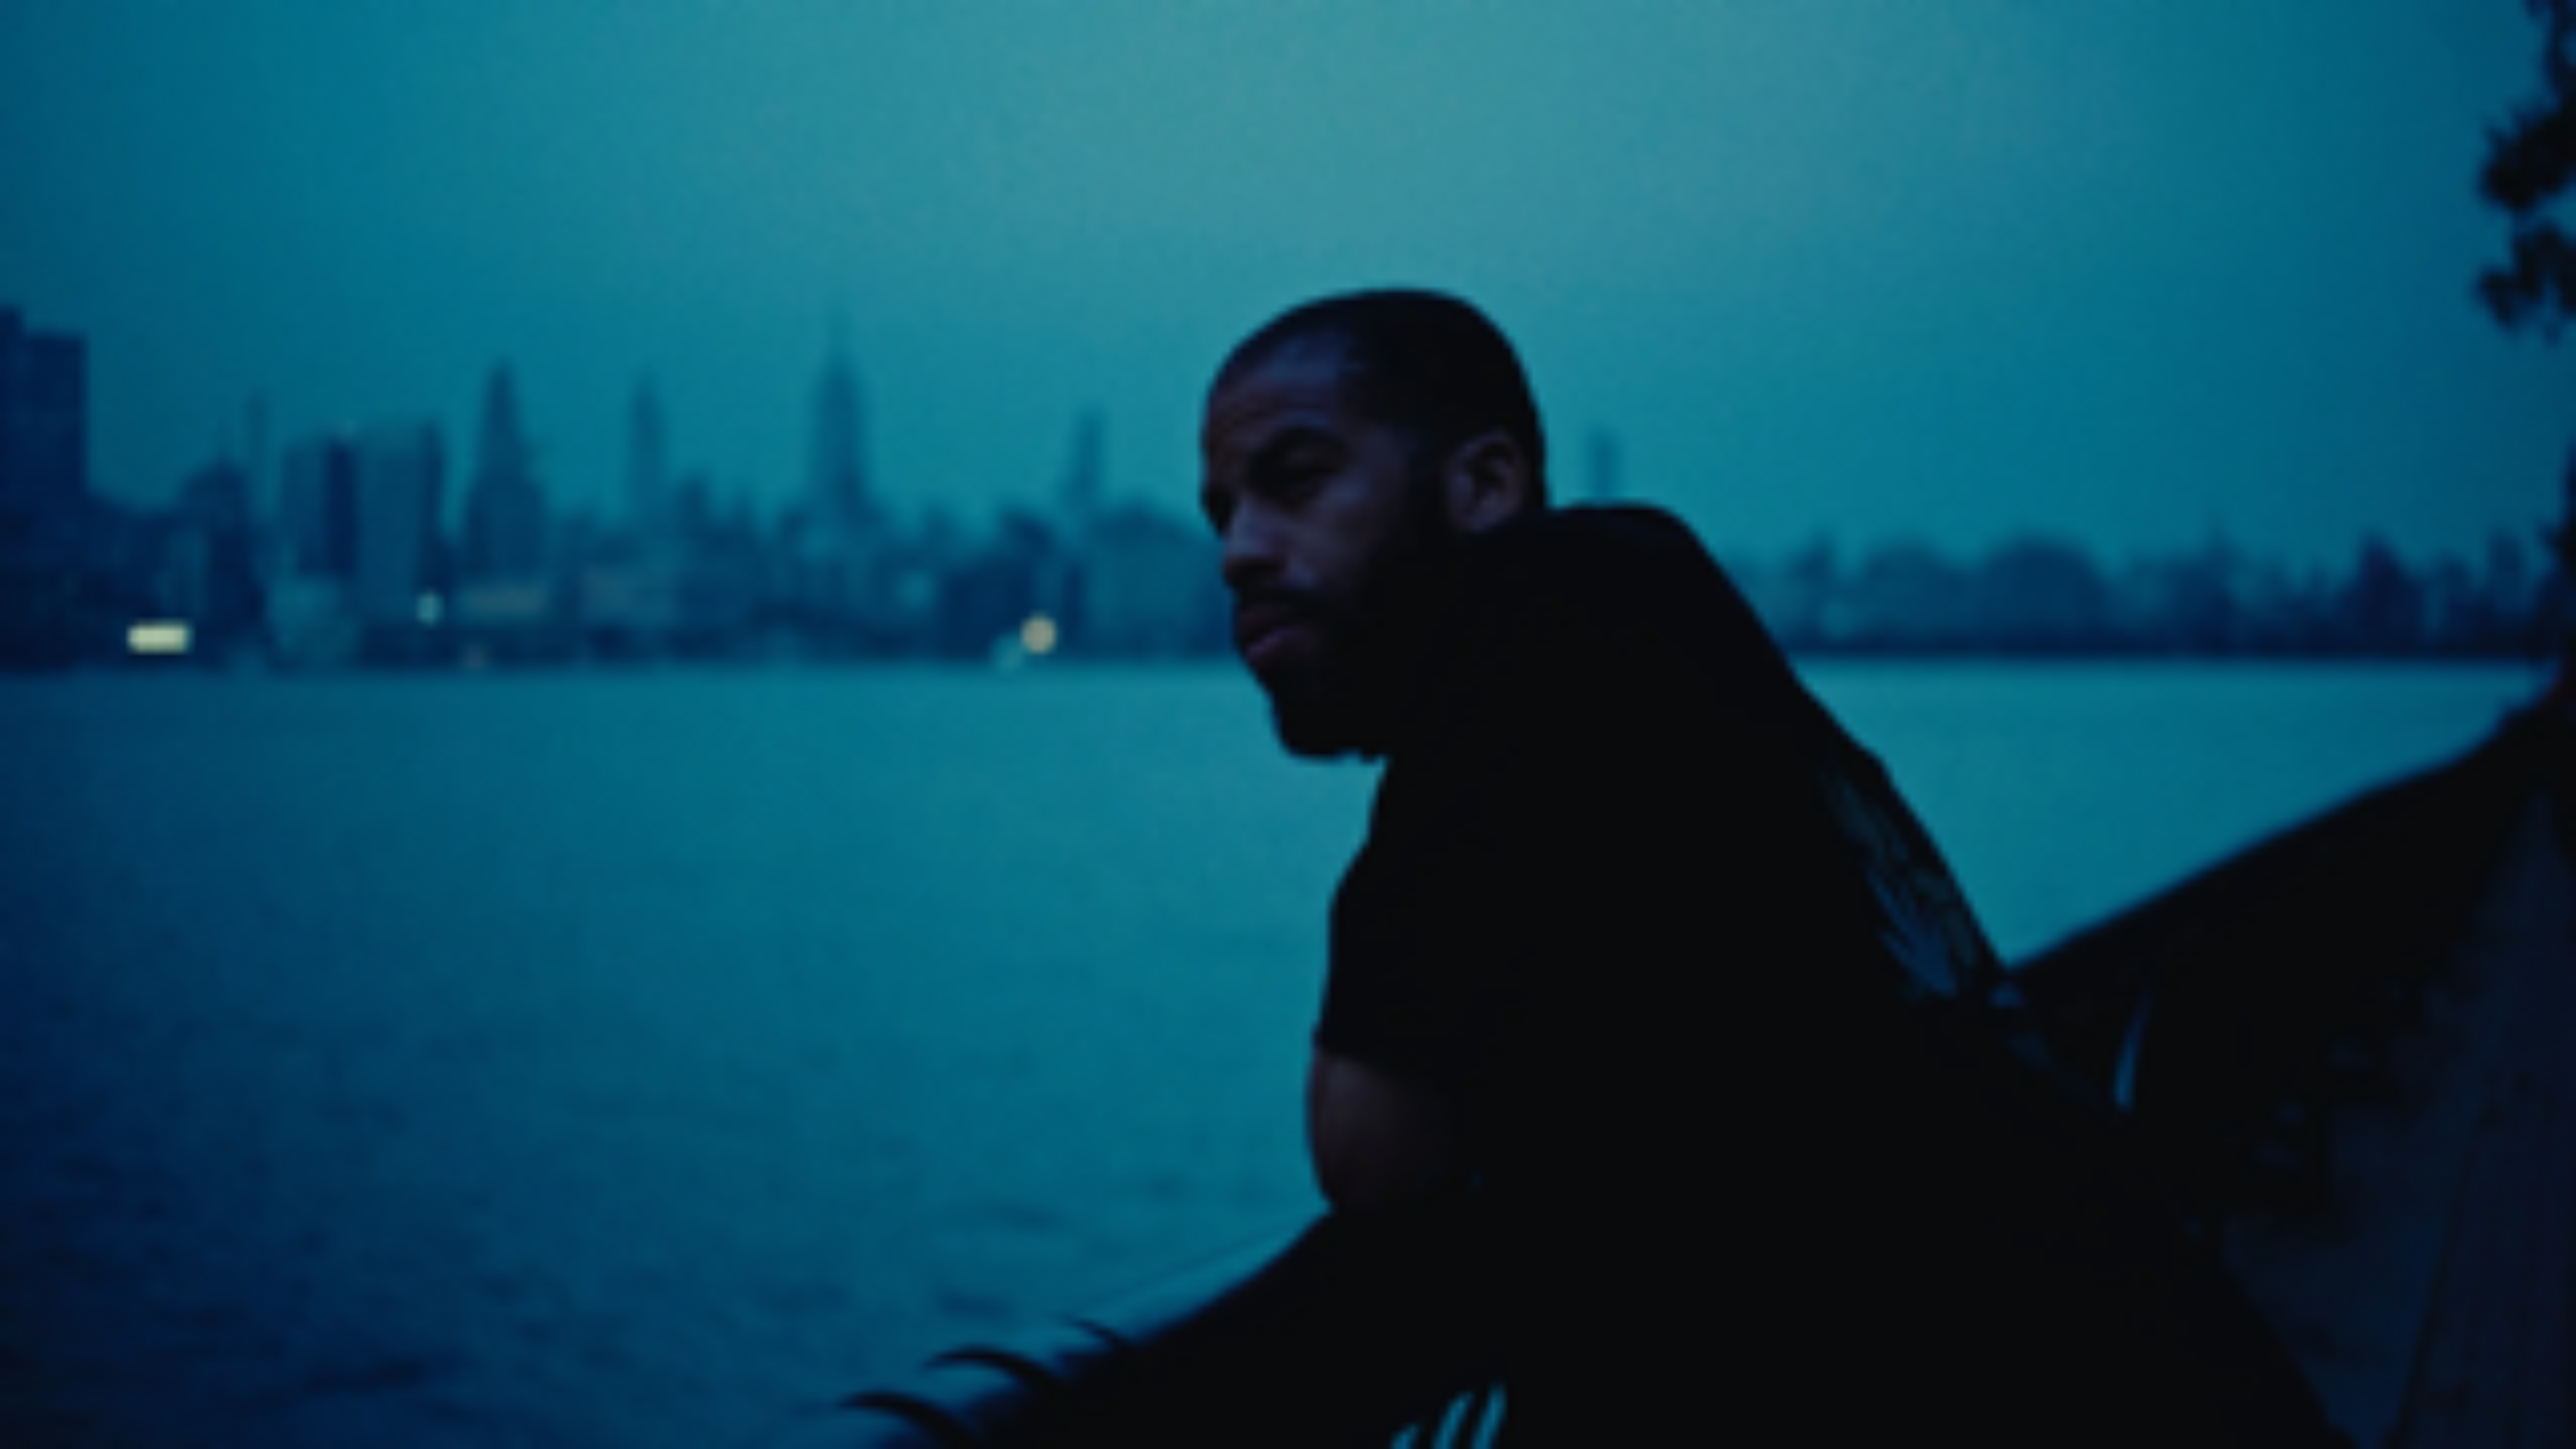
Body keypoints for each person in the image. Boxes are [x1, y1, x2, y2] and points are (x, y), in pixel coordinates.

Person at [1197, 288, 2350, 1443]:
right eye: (1224, 513)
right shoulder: (1650, 626)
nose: (1241, 551)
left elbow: (1370, 1150)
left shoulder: (1532, 618)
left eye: (1296, 480)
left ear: (1486, 486)